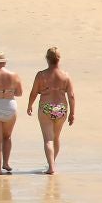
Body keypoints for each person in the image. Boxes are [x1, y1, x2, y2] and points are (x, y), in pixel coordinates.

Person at [26, 47, 75, 175]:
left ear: (47, 59)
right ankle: (52, 163)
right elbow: (71, 96)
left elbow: (34, 93)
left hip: (46, 107)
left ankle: (51, 167)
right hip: (61, 109)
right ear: (59, 59)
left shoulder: (41, 75)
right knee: (56, 138)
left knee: (48, 139)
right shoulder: (66, 76)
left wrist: (29, 105)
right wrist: (72, 113)